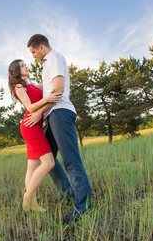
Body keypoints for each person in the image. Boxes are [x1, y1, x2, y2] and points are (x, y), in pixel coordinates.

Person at [24, 34, 92, 224]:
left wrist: (39, 113)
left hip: (60, 113)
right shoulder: (48, 63)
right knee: (48, 157)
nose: (33, 56)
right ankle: (67, 194)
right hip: (54, 115)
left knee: (72, 162)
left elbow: (59, 89)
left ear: (42, 47)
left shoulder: (53, 58)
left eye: (33, 52)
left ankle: (83, 208)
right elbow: (47, 88)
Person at [8, 59, 62, 212]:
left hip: (34, 125)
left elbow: (48, 85)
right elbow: (30, 107)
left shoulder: (29, 85)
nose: (26, 66)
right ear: (17, 71)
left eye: (25, 64)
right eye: (22, 66)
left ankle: (32, 204)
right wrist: (46, 100)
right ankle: (27, 197)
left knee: (32, 166)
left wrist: (59, 76)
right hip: (30, 127)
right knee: (49, 163)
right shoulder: (18, 87)